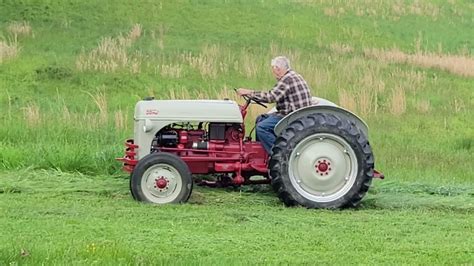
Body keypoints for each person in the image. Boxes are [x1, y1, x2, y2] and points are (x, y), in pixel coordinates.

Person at [237, 56, 313, 155]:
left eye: (274, 70)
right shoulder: (294, 75)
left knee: (262, 128)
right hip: (292, 113)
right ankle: (260, 155)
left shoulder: (287, 79)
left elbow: (271, 97)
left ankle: (279, 155)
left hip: (292, 117)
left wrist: (249, 92)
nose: (274, 73)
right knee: (260, 119)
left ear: (278, 68)